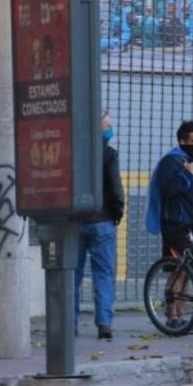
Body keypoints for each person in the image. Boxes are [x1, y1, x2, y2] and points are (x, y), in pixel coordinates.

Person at [146, 120, 193, 330]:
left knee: (191, 272)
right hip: (177, 224)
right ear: (182, 141)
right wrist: (188, 174)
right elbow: (168, 190)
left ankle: (181, 315)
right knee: (179, 270)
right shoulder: (172, 161)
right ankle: (171, 316)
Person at [75, 111, 126, 340]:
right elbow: (115, 188)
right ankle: (104, 323)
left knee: (72, 274)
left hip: (75, 221)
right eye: (107, 125)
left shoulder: (74, 152)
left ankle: (70, 322)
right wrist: (116, 213)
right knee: (104, 274)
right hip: (103, 220)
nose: (110, 129)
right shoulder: (108, 154)